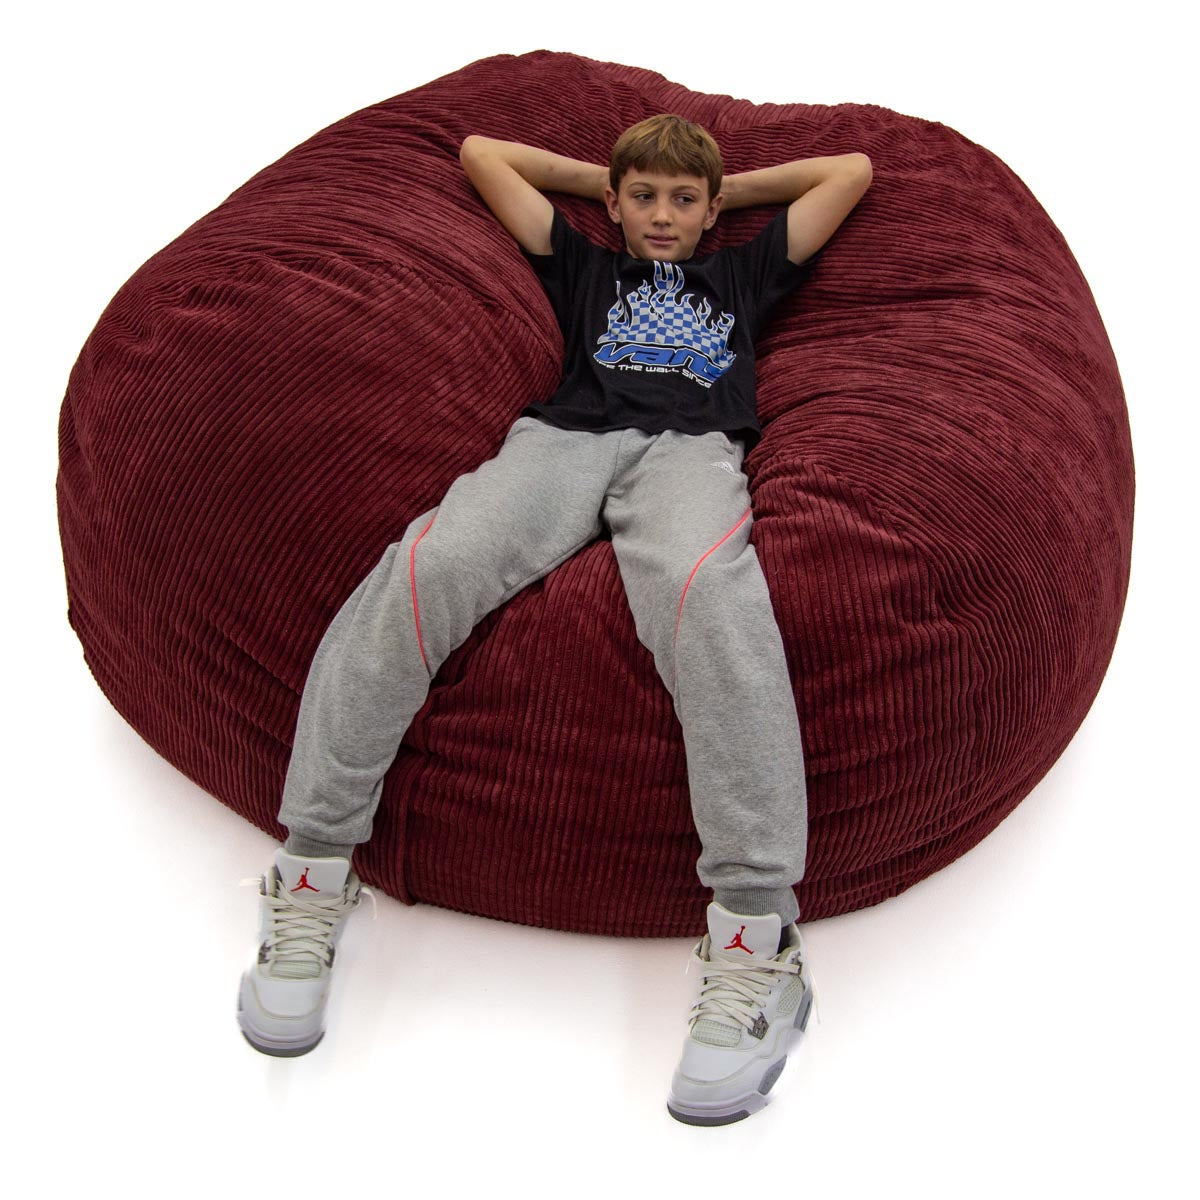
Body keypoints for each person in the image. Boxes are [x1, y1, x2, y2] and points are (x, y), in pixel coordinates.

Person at [236, 113, 872, 1126]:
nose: (661, 215)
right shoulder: (584, 265)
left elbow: (851, 170)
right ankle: (313, 869)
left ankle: (756, 939)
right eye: (644, 197)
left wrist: (723, 189)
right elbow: (485, 155)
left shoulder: (740, 275)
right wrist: (610, 179)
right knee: (428, 565)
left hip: (691, 454)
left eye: (680, 201)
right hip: (563, 442)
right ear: (614, 207)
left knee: (712, 597)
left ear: (709, 215)